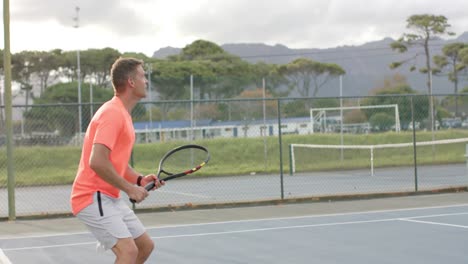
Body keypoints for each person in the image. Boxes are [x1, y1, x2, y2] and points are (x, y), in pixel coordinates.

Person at [71, 57, 164, 264]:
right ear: (131, 82)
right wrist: (130, 189)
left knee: (144, 246)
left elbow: (115, 162)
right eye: (142, 76)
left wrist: (139, 180)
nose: (146, 81)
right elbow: (97, 161)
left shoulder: (122, 114)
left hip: (109, 197)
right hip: (91, 196)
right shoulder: (112, 113)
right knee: (128, 252)